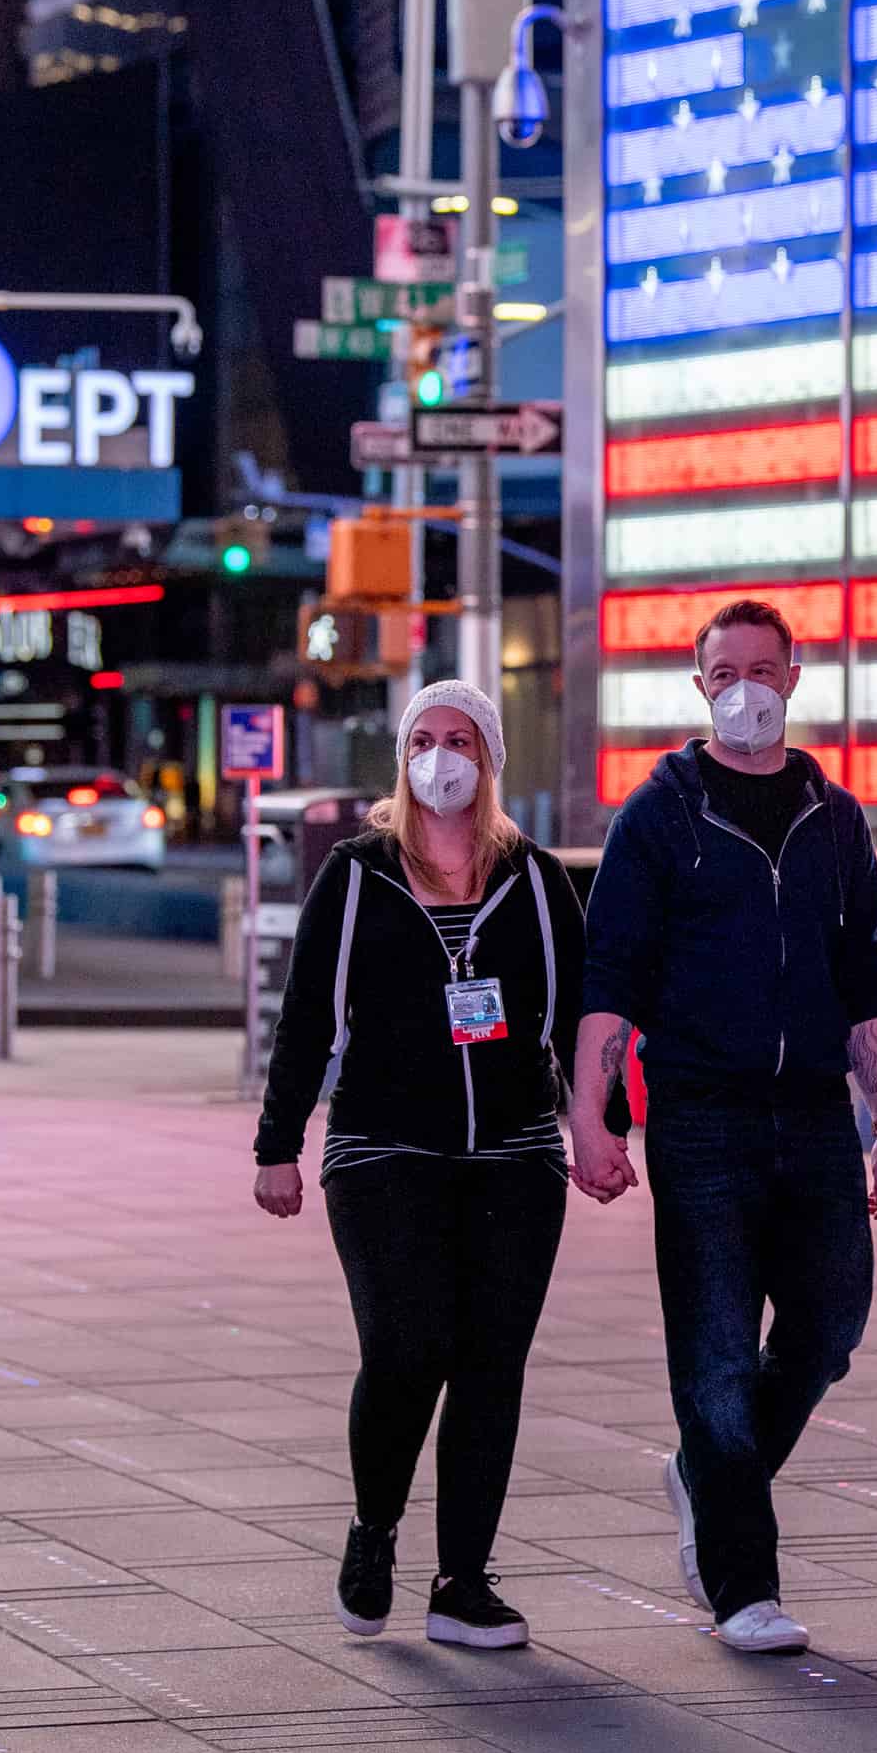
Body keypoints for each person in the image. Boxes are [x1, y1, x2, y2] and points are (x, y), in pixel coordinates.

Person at [570, 598, 877, 1658]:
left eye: (766, 669)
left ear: (797, 678)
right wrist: (590, 1113)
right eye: (727, 671)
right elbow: (610, 973)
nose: (747, 688)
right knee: (717, 1356)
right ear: (700, 685)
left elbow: (862, 975)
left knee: (829, 1324)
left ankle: (706, 1475)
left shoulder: (835, 815)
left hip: (815, 1111)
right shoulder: (660, 813)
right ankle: (742, 1585)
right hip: (703, 1115)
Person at [251, 681, 582, 1652]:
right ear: (403, 757)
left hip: (517, 1153)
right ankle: (374, 1529)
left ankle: (463, 1579)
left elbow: (580, 1012)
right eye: (426, 739)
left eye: (462, 740)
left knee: (491, 1362)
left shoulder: (536, 876)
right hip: (383, 1147)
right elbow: (309, 1012)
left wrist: (598, 1125)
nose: (442, 757)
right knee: (408, 1341)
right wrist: (279, 1144)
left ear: (491, 757)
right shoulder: (358, 873)